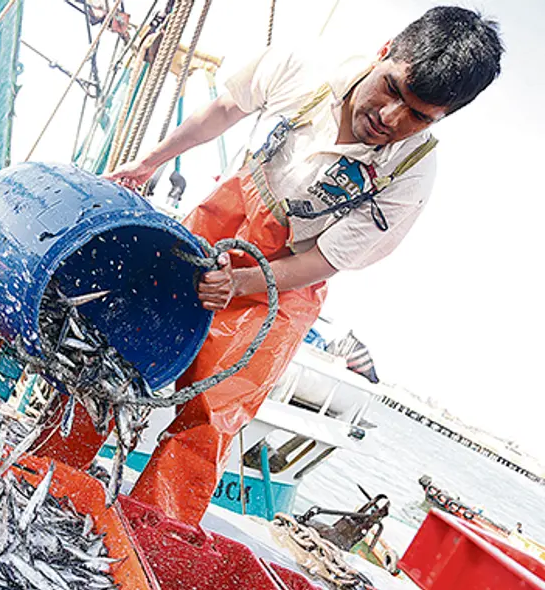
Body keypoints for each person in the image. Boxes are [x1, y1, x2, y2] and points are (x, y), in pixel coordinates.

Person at [105, 6, 503, 524]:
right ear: (384, 53)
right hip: (214, 229)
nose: (390, 118)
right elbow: (225, 110)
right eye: (392, 90)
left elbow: (324, 259)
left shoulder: (411, 176)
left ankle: (152, 527)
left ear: (441, 119)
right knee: (120, 351)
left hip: (284, 286)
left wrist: (242, 282)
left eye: (418, 116)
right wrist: (148, 163)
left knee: (212, 414)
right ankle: (54, 464)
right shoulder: (307, 66)